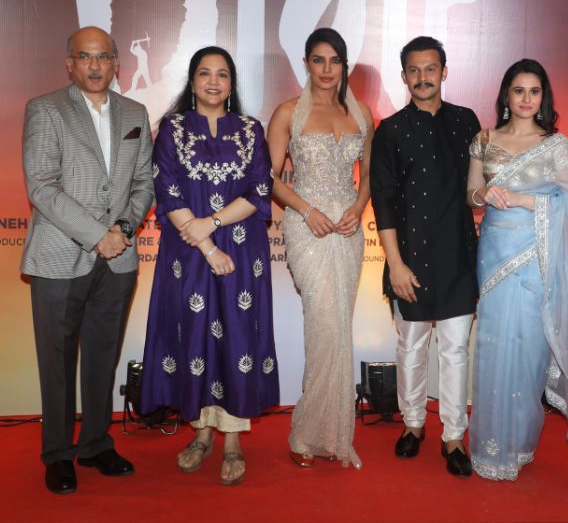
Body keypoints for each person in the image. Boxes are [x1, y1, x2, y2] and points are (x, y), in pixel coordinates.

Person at [21, 26, 154, 494]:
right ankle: (58, 454)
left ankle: (96, 444)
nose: (95, 66)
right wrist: (98, 235)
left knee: (102, 356)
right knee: (56, 362)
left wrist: (123, 231)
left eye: (103, 57)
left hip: (118, 261)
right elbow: (42, 185)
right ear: (70, 63)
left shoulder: (135, 113)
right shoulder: (45, 109)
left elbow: (144, 183)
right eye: (85, 56)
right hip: (59, 257)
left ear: (117, 62)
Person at [140, 46, 279, 486]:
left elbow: (260, 191)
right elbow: (167, 191)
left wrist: (212, 223)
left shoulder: (251, 129)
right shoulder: (172, 129)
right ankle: (201, 433)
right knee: (194, 334)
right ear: (193, 81)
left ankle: (233, 440)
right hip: (188, 254)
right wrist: (206, 245)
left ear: (232, 83)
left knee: (237, 336)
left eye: (222, 74)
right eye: (205, 73)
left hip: (241, 250)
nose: (213, 82)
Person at [466, 59, 568, 480]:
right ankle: (491, 447)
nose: (526, 99)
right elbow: (471, 194)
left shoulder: (556, 145)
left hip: (535, 256)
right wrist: (485, 194)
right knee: (493, 343)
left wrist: (525, 200)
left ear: (544, 97)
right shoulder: (484, 140)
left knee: (527, 348)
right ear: (506, 94)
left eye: (534, 91)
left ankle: (518, 444)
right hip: (494, 253)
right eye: (518, 90)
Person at [370, 36, 479, 477]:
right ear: (403, 76)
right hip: (410, 259)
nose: (422, 77)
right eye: (414, 70)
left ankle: (454, 436)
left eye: (430, 69)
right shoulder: (390, 130)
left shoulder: (467, 122)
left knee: (455, 351)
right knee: (411, 347)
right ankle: (413, 425)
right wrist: (395, 264)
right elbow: (383, 202)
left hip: (458, 258)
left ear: (444, 71)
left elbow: (478, 187)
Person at [267, 28, 373, 469]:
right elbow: (269, 178)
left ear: (344, 65)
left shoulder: (361, 113)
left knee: (337, 327)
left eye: (335, 61)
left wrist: (358, 208)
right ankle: (307, 432)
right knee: (323, 324)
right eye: (318, 60)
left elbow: (370, 175)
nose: (327, 69)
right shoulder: (287, 113)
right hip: (306, 227)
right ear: (306, 63)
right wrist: (306, 210)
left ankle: (329, 432)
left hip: (347, 230)